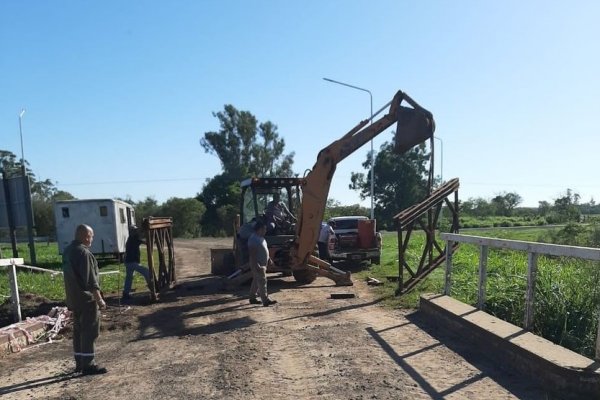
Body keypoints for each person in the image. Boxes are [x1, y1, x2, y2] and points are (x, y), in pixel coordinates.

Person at [62, 224, 107, 375]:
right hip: (86, 300)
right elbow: (90, 280)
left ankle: (80, 363)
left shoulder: (68, 251)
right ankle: (88, 365)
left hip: (73, 299)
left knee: (78, 332)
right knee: (90, 331)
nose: (92, 239)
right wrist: (99, 300)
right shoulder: (84, 253)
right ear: (86, 236)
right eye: (91, 236)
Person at [248, 219, 277, 306]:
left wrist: (269, 260)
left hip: (263, 263)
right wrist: (256, 264)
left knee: (256, 281)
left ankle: (252, 298)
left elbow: (265, 250)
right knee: (262, 281)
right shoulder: (253, 239)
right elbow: (252, 254)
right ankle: (265, 300)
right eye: (264, 229)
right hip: (258, 264)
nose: (265, 230)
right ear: (259, 229)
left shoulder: (261, 238)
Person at [122, 225, 151, 301]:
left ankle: (126, 293)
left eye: (135, 230)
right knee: (146, 271)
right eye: (134, 230)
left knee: (129, 277)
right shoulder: (133, 239)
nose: (135, 231)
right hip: (131, 262)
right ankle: (152, 287)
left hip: (128, 261)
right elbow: (146, 242)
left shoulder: (131, 238)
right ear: (131, 231)